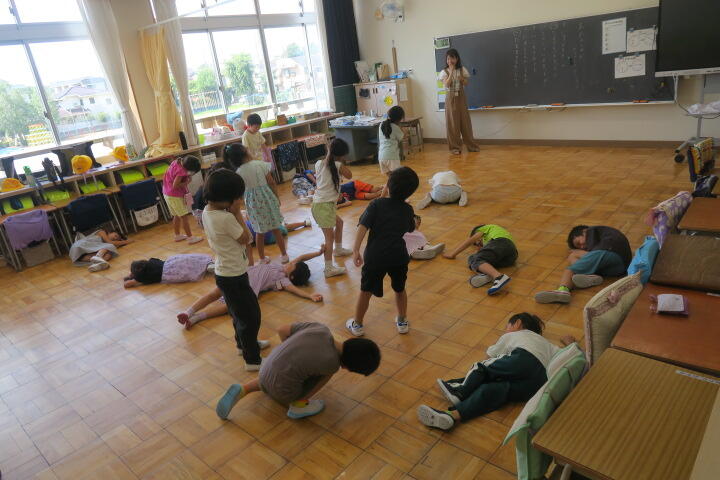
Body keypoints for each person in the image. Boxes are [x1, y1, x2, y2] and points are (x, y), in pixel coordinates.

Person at [416, 313, 574, 431]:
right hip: (538, 383)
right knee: (492, 390)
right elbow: (569, 353)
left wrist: (487, 372)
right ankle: (451, 416)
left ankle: (459, 391)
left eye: (507, 326)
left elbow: (489, 358)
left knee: (481, 367)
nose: (505, 330)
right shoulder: (546, 344)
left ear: (517, 323)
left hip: (523, 359)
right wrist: (570, 341)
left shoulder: (514, 335)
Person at [216, 322, 381, 420]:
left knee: (280, 371)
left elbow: (282, 330)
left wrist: (287, 356)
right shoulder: (332, 364)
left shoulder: (320, 328)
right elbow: (326, 369)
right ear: (349, 367)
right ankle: (299, 405)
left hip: (265, 368)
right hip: (283, 392)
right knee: (326, 372)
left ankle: (243, 389)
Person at [202, 168, 269, 369]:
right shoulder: (226, 218)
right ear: (227, 199)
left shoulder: (207, 211)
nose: (240, 200)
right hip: (233, 276)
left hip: (225, 273)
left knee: (238, 314)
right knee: (251, 316)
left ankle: (244, 345)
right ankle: (252, 360)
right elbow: (247, 238)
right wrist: (238, 212)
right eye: (238, 197)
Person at [177, 246, 327, 329]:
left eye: (292, 265)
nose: (291, 262)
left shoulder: (283, 280)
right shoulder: (282, 267)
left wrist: (310, 296)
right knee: (213, 294)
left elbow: (295, 290)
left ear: (292, 277)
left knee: (227, 307)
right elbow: (301, 257)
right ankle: (188, 312)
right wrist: (318, 253)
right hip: (238, 275)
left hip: (245, 288)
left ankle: (197, 318)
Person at [346, 167, 419, 337]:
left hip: (375, 257)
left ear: (388, 185)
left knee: (365, 291)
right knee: (400, 289)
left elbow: (363, 226)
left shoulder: (376, 204)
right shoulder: (407, 210)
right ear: (410, 192)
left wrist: (356, 250)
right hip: (398, 257)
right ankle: (402, 321)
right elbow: (411, 228)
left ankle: (357, 324)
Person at [535, 225, 632, 304]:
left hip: (610, 251)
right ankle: (592, 277)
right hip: (620, 267)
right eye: (579, 247)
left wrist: (576, 253)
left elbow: (591, 253)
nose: (582, 247)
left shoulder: (591, 231)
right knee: (576, 257)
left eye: (579, 243)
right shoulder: (601, 236)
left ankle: (563, 290)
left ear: (584, 232)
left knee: (570, 268)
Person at [228, 142, 289, 264]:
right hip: (268, 199)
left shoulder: (238, 172)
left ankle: (262, 258)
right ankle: (284, 255)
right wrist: (276, 197)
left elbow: (241, 191)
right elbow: (271, 182)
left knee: (259, 231)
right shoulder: (260, 164)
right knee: (276, 228)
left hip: (253, 203)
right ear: (245, 153)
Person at [311, 138, 354, 278]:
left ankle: (339, 249)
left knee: (339, 223)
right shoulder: (337, 165)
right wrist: (341, 161)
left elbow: (326, 180)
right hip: (323, 206)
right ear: (342, 155)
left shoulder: (319, 163)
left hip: (321, 205)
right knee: (329, 238)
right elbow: (350, 175)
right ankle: (328, 268)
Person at [443, 224, 516, 295]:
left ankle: (499, 277)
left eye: (477, 243)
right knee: (478, 260)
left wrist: (453, 254)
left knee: (475, 258)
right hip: (510, 256)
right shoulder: (495, 235)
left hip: (500, 243)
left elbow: (470, 241)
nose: (478, 246)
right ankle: (488, 275)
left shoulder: (484, 228)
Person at [439, 49, 479, 155]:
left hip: (461, 98)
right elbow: (446, 84)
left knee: (465, 123)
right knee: (453, 124)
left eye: (452, 58)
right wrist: (452, 72)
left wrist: (462, 79)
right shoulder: (444, 72)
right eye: (448, 59)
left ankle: (471, 146)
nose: (450, 61)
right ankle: (455, 148)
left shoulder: (462, 69)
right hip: (450, 100)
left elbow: (466, 83)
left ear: (456, 59)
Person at [163, 155, 203, 244]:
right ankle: (190, 238)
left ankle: (177, 235)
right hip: (175, 196)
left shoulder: (176, 162)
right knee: (184, 217)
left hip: (167, 193)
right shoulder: (181, 172)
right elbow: (175, 185)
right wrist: (187, 182)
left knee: (176, 215)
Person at [123, 253, 214, 288]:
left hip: (170, 273)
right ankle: (208, 264)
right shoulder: (151, 261)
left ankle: (208, 267)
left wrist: (133, 276)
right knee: (189, 260)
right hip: (171, 263)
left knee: (187, 270)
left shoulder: (142, 277)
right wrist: (132, 274)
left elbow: (126, 284)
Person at [378, 106, 405, 176]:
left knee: (391, 178)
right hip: (392, 156)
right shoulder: (395, 127)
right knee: (397, 177)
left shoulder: (381, 124)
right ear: (400, 118)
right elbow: (402, 138)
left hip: (381, 156)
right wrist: (402, 129)